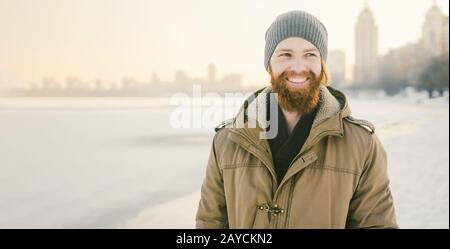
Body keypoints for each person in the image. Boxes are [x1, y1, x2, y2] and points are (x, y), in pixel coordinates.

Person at [196, 10, 398, 228]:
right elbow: (210, 223)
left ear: (322, 63)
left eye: (310, 54)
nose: (299, 68)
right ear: (269, 65)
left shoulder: (362, 145)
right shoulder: (227, 141)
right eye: (286, 55)